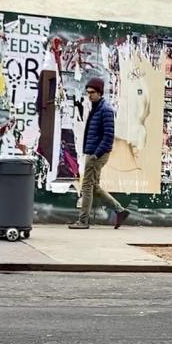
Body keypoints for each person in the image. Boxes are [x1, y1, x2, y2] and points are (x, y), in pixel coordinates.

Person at [69, 78, 130, 230]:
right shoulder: (96, 108)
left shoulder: (105, 110)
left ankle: (83, 221)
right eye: (88, 92)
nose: (89, 95)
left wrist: (96, 154)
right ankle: (120, 211)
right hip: (92, 152)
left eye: (92, 93)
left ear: (100, 93)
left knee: (87, 186)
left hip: (97, 154)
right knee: (93, 186)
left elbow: (109, 136)